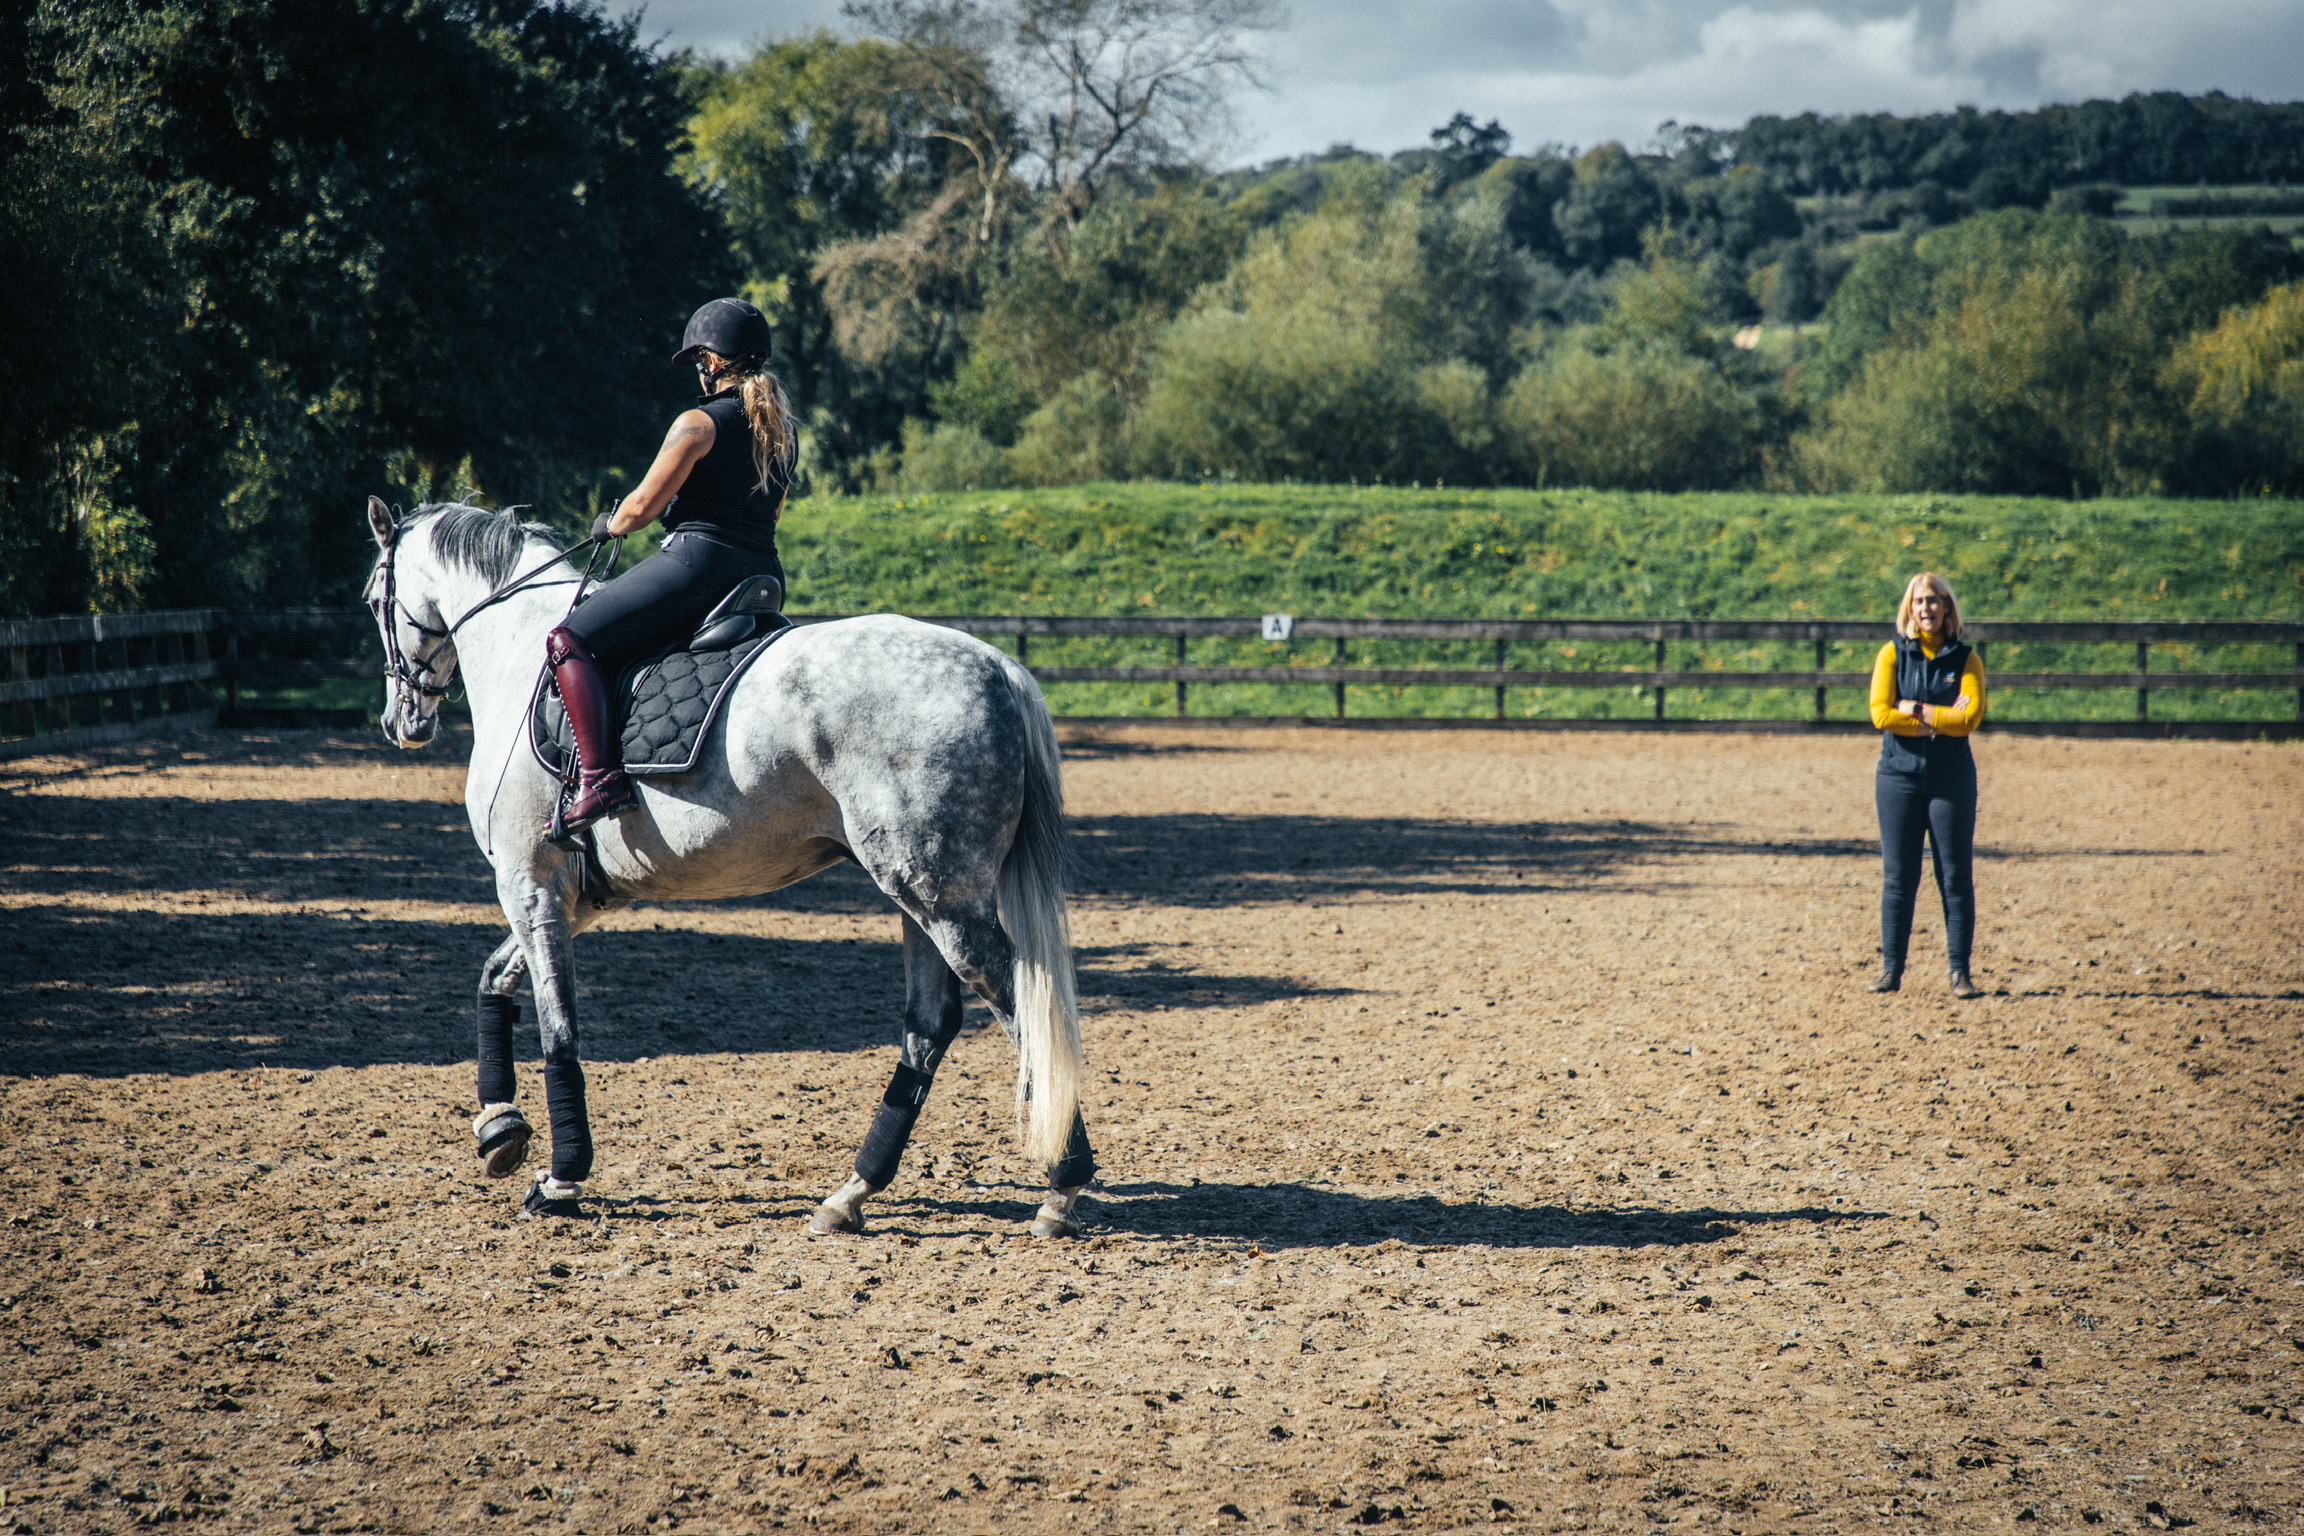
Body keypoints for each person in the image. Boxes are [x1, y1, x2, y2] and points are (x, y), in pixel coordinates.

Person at [546, 297, 798, 831]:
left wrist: (608, 525)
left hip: (698, 564)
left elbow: (642, 508)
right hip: (761, 573)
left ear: (710, 362)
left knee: (570, 640)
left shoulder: (697, 425)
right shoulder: (781, 431)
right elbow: (772, 511)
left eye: (700, 363)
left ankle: (598, 780)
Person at [1868, 572, 1986, 997]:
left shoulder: (1966, 660)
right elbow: (1881, 715)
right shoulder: (1892, 655)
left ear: (1948, 608)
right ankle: (1890, 970)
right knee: (1898, 877)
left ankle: (1960, 972)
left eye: (1934, 601)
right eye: (1919, 601)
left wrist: (1912, 709)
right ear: (1909, 608)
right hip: (1897, 777)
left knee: (1954, 876)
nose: (1926, 608)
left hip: (1951, 779)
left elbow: (1969, 719)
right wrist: (1939, 719)